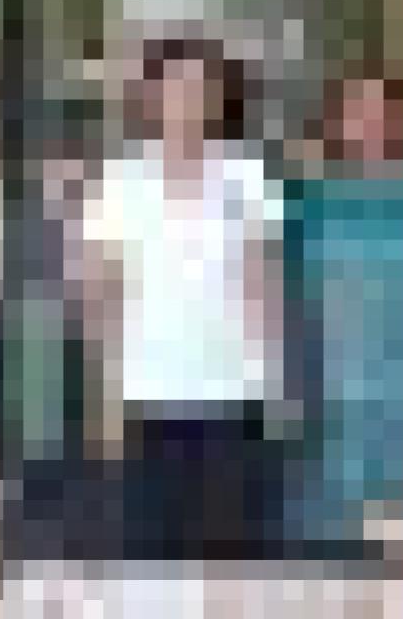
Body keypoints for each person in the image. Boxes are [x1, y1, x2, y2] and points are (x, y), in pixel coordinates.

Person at [72, 36, 288, 562]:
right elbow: (102, 294)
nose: (188, 96)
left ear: (219, 98)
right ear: (151, 96)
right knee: (151, 555)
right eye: (175, 84)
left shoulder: (248, 175)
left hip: (234, 393)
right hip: (146, 395)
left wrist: (276, 382)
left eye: (202, 85)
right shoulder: (119, 180)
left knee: (233, 551)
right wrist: (104, 395)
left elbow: (263, 283)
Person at [284, 73, 403, 563]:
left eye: (382, 110)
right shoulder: (304, 202)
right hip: (330, 398)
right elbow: (282, 300)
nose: (370, 122)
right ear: (335, 122)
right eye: (357, 110)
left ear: (401, 122)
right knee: (331, 546)